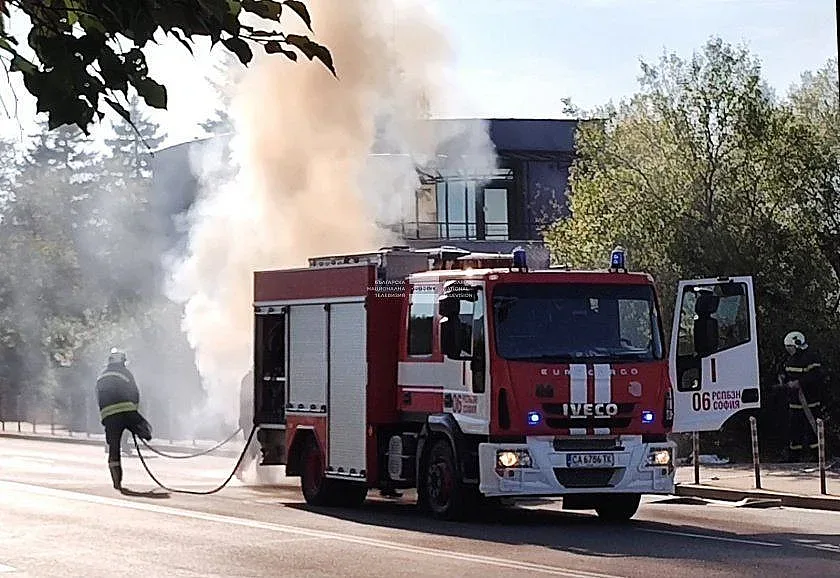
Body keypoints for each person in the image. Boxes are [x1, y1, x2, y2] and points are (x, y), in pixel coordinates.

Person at [95, 348, 153, 491]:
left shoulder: (101, 376)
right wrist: (136, 415)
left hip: (109, 417)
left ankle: (117, 482)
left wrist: (105, 417)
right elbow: (135, 393)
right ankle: (146, 437)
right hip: (127, 412)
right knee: (145, 431)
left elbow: (97, 398)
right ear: (122, 361)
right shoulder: (125, 373)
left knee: (113, 449)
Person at [778, 331, 824, 462]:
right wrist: (782, 377)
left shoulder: (810, 358)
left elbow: (816, 377)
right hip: (794, 402)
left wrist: (799, 383)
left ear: (796, 346)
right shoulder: (789, 359)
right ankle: (794, 456)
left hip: (810, 402)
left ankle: (818, 456)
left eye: (789, 347)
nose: (788, 350)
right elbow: (786, 372)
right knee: (794, 429)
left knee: (812, 428)